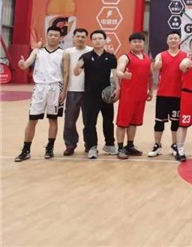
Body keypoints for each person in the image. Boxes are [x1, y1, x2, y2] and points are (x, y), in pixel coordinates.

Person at [14, 26, 64, 162]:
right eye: (51, 34)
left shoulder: (63, 53)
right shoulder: (37, 51)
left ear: (60, 38)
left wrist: (64, 91)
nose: (53, 37)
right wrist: (22, 64)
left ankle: (50, 148)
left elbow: (65, 73)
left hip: (55, 87)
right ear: (47, 35)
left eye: (56, 35)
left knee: (53, 119)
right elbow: (26, 64)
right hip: (40, 88)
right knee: (32, 120)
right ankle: (26, 149)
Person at [74, 29, 118, 159]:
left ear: (105, 41)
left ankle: (109, 144)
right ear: (91, 41)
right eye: (95, 39)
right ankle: (92, 147)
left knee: (108, 120)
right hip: (90, 95)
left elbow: (115, 75)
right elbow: (76, 72)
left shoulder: (111, 57)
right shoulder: (86, 57)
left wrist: (117, 88)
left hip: (106, 94)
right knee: (90, 122)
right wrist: (77, 66)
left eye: (100, 38)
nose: (97, 41)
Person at [148, 30, 187, 158]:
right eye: (171, 38)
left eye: (175, 38)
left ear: (180, 40)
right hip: (163, 94)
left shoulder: (186, 56)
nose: (173, 40)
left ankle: (174, 145)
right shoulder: (161, 55)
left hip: (178, 95)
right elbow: (155, 67)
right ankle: (157, 145)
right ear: (167, 41)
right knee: (159, 122)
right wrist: (157, 65)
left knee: (176, 122)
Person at [114, 32, 153, 159]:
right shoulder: (125, 57)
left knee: (134, 122)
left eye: (140, 41)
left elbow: (150, 75)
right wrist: (124, 75)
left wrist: (150, 90)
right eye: (134, 41)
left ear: (143, 43)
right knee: (122, 123)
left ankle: (130, 146)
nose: (137, 43)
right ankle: (120, 148)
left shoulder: (147, 58)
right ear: (130, 44)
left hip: (140, 96)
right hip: (127, 96)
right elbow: (118, 71)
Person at [62, 28, 92, 156]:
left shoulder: (92, 51)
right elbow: (66, 72)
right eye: (78, 36)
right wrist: (64, 91)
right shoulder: (68, 52)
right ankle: (70, 144)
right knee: (69, 120)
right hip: (73, 90)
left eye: (83, 37)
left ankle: (89, 144)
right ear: (73, 38)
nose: (80, 39)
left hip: (89, 91)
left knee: (89, 121)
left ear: (86, 38)